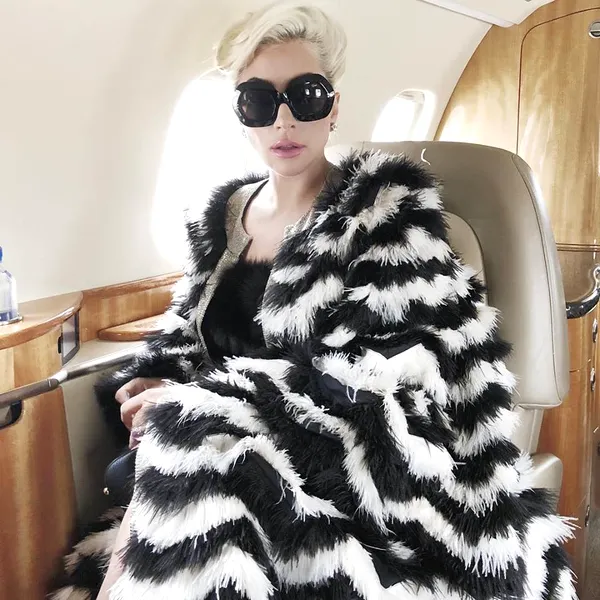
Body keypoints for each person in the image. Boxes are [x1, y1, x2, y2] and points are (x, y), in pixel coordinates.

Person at [54, 2, 576, 599]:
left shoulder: (384, 215)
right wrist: (157, 382)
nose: (283, 120)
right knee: (183, 463)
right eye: (258, 101)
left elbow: (393, 375)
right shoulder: (221, 220)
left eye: (304, 96)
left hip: (353, 458)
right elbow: (186, 338)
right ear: (241, 117)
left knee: (190, 453)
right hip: (222, 444)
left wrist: (205, 406)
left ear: (333, 108)